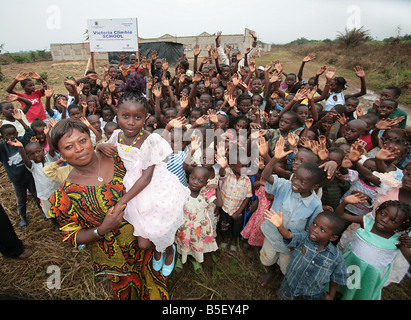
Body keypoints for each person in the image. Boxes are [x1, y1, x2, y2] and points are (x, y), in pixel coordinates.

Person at [48, 118, 169, 300]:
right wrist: (101, 229)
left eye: (82, 141)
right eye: (69, 146)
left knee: (155, 283)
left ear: (91, 140)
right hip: (118, 258)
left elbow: (153, 167)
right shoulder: (65, 196)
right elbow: (71, 236)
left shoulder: (120, 157)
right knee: (128, 292)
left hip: (148, 243)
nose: (79, 149)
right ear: (60, 154)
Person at [98, 72, 190, 277]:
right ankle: (159, 248)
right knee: (143, 241)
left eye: (137, 117)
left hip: (153, 186)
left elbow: (147, 177)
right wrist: (100, 146)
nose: (131, 122)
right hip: (133, 186)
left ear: (146, 117)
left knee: (157, 230)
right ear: (117, 115)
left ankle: (167, 250)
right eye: (125, 116)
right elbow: (108, 148)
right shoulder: (116, 135)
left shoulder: (151, 140)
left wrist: (122, 201)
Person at [259, 139, 324, 285]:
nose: (295, 182)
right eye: (295, 177)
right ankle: (270, 271)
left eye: (302, 182)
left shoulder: (315, 204)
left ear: (314, 186)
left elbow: (311, 227)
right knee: (268, 257)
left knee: (286, 265)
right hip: (272, 234)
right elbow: (265, 176)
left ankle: (281, 276)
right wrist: (274, 158)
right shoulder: (285, 185)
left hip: (291, 244)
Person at [336, 194, 411, 300]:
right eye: (382, 213)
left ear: (401, 227)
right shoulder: (366, 222)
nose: (384, 220)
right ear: (377, 211)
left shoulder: (398, 240)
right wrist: (345, 202)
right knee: (341, 286)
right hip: (350, 263)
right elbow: (340, 215)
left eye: (393, 220)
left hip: (369, 275)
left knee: (360, 294)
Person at [264, 209, 349, 300]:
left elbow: (336, 277)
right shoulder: (304, 237)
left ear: (333, 237)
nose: (315, 230)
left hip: (313, 294)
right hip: (290, 285)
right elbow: (288, 235)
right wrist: (280, 226)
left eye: (322, 230)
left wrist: (331, 295)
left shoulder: (335, 257)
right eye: (314, 224)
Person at [175, 166, 221, 271]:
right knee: (183, 242)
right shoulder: (182, 192)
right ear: (189, 177)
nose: (195, 182)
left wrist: (217, 189)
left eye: (200, 181)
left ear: (206, 183)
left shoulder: (206, 193)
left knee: (197, 244)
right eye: (193, 178)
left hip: (199, 227)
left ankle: (195, 259)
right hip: (184, 226)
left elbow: (219, 203)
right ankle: (180, 257)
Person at [0, 111, 41, 228]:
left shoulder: (21, 141)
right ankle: (23, 218)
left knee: (36, 194)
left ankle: (43, 211)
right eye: (8, 135)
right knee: (21, 199)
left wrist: (21, 120)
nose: (12, 137)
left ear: (17, 133)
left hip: (29, 176)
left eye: (14, 134)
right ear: (3, 137)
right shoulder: (2, 148)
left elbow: (30, 132)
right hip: (17, 180)